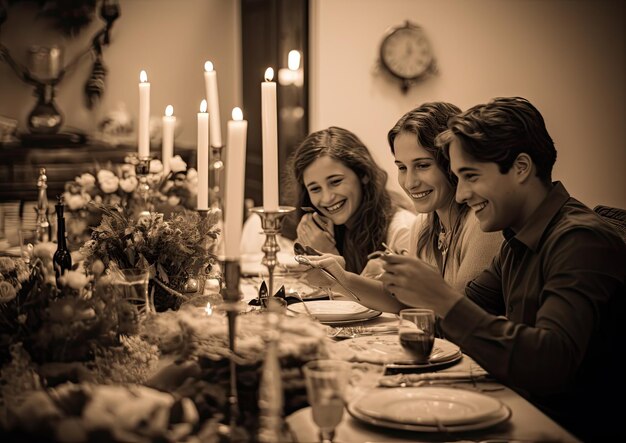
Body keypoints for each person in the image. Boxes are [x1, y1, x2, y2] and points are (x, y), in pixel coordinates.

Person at [380, 96, 626, 440]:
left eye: (470, 177)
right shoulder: (516, 237)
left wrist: (443, 299)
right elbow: (463, 321)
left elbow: (551, 364)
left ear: (521, 167)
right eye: (457, 178)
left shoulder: (580, 240)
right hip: (518, 411)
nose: (462, 194)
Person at [299, 103, 502, 313]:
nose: (410, 182)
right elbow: (406, 304)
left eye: (422, 165)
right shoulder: (423, 225)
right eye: (402, 168)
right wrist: (339, 277)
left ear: (450, 163)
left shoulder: (481, 223)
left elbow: (463, 317)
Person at [288, 126, 415, 278]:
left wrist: (328, 258)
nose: (327, 198)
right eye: (315, 189)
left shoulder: (403, 230)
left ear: (363, 174)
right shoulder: (329, 230)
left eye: (335, 182)